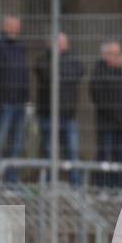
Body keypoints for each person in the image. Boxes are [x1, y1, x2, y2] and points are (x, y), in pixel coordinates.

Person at [34, 32, 84, 186]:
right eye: (57, 42)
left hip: (68, 114)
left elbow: (78, 73)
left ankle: (76, 184)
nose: (60, 45)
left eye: (62, 42)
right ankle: (48, 182)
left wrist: (59, 73)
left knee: (72, 150)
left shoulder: (74, 60)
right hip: (47, 113)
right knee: (48, 150)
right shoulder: (43, 60)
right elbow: (46, 74)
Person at [89, 41, 122, 188]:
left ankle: (116, 187)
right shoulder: (99, 72)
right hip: (106, 123)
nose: (117, 57)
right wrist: (115, 115)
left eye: (118, 54)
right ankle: (101, 186)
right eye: (113, 54)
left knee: (119, 157)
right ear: (105, 55)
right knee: (104, 154)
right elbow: (98, 98)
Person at [0, 15, 28, 183]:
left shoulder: (20, 47)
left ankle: (11, 181)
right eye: (10, 26)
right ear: (5, 26)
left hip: (19, 102)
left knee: (16, 145)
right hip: (3, 103)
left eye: (16, 26)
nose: (13, 29)